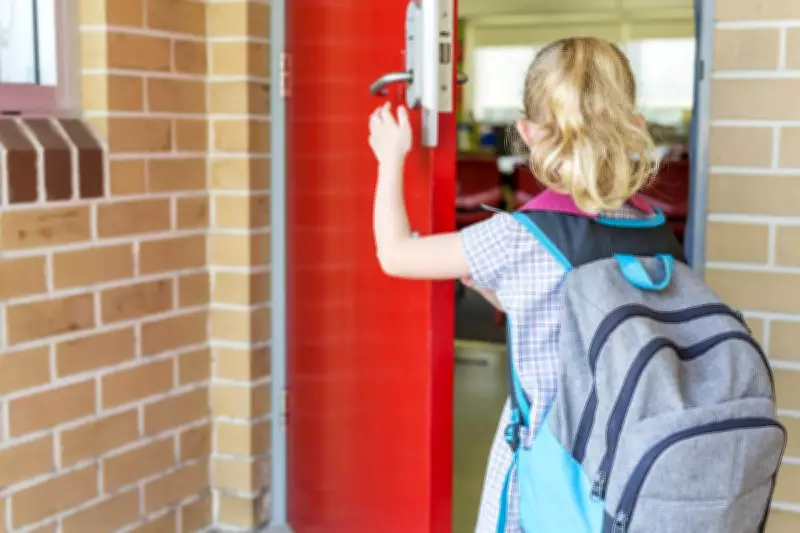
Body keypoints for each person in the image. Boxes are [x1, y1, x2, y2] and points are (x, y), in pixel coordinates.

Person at [368, 37, 659, 533]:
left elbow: (395, 254)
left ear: (526, 132)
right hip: (635, 464)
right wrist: (491, 286)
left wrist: (390, 158)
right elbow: (585, 314)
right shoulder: (651, 226)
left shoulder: (519, 237)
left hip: (551, 468)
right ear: (633, 125)